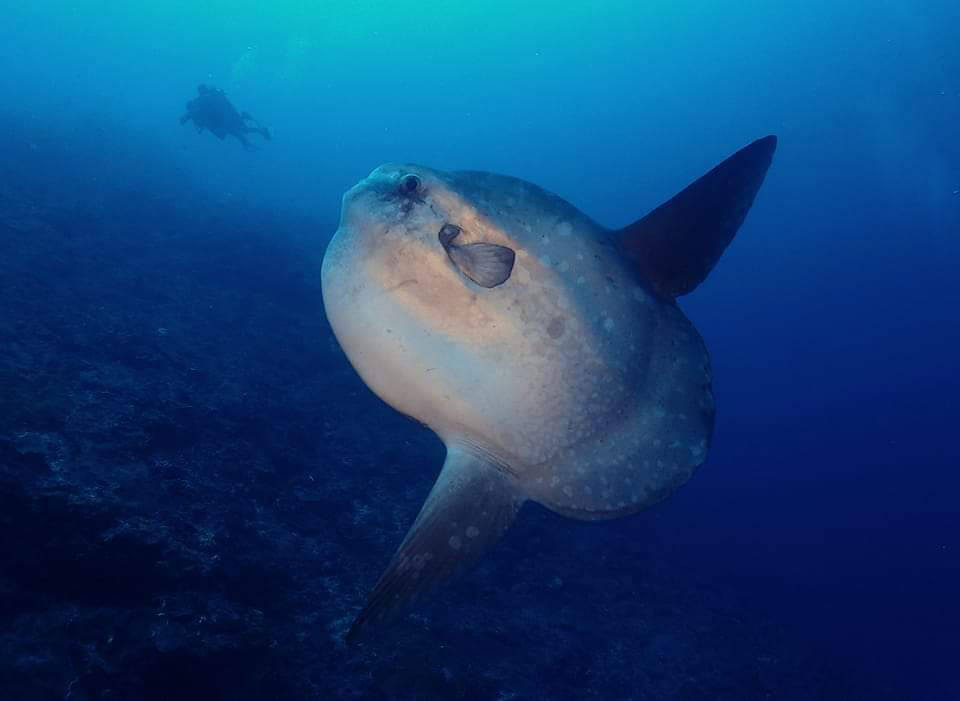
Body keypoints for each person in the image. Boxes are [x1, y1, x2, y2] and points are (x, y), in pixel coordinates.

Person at [179, 84, 271, 150]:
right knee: (241, 131)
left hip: (225, 120)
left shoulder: (201, 100)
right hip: (228, 117)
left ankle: (253, 138)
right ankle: (252, 139)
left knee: (240, 131)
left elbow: (191, 113)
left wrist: (185, 118)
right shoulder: (210, 96)